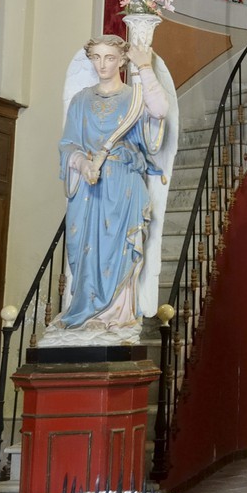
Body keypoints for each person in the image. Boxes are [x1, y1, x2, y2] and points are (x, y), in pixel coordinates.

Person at [47, 35, 169, 341]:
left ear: (122, 61)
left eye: (110, 58)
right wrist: (83, 164)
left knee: (119, 250)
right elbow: (68, 144)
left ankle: (116, 314)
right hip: (89, 187)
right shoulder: (81, 100)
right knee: (85, 249)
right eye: (96, 57)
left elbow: (159, 111)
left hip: (123, 184)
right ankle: (86, 311)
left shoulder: (134, 97)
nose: (102, 64)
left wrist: (145, 67)